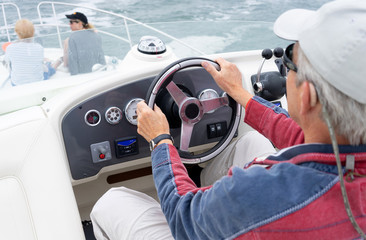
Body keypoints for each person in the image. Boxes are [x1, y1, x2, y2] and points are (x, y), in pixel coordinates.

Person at [91, 0, 366, 239]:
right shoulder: (342, 149)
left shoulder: (262, 190)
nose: (283, 70)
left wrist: (160, 140)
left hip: (204, 221)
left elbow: (183, 218)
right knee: (250, 142)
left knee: (112, 203)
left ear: (307, 96)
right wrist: (240, 94)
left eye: (289, 62)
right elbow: (300, 136)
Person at [4, 19, 60, 86]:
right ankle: (56, 62)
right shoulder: (39, 47)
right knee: (48, 69)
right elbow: (41, 65)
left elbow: (6, 61)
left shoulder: (10, 48)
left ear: (17, 32)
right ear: (33, 31)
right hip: (38, 82)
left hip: (17, 84)